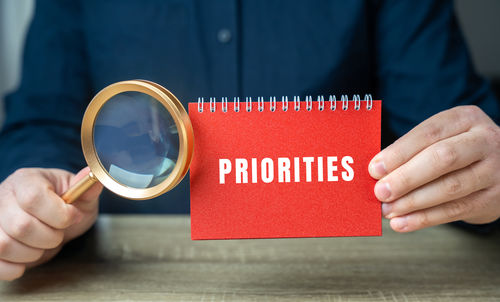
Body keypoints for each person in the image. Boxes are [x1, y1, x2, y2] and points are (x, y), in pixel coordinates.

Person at [0, 0, 499, 281]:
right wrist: (32, 202)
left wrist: (487, 173)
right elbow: (42, 121)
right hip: (128, 275)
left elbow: (450, 126)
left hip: (348, 278)